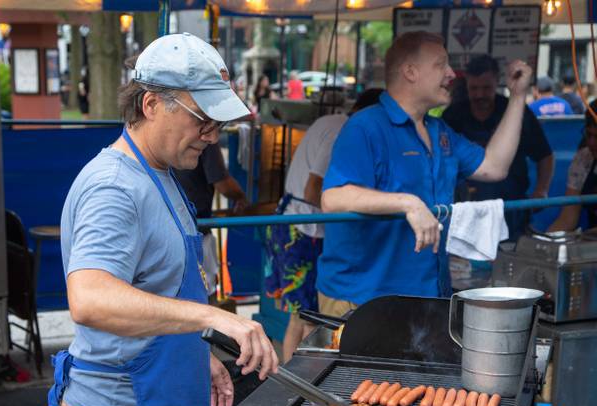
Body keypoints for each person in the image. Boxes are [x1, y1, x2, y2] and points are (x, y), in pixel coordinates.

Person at [49, 33, 279, 406]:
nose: (212, 134)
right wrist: (212, 319)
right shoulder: (113, 186)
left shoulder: (162, 173)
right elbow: (90, 298)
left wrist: (199, 352)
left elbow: (154, 289)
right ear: (151, 104)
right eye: (203, 119)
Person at [317, 31, 532, 315]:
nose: (452, 74)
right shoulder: (365, 126)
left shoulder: (439, 130)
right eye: (441, 64)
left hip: (427, 294)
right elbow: (333, 198)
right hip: (363, 298)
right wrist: (408, 203)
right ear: (410, 71)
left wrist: (517, 97)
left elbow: (494, 167)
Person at [265, 89, 384, 361]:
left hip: (299, 226)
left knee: (300, 315)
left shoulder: (332, 122)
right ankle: (298, 381)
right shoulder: (342, 131)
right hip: (301, 232)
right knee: (307, 318)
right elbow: (312, 190)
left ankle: (291, 377)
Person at [443, 55, 554, 241]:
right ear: (467, 84)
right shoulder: (453, 116)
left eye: (486, 88)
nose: (479, 95)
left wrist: (541, 190)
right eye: (474, 88)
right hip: (465, 212)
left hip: (511, 210)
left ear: (497, 81)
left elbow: (545, 155)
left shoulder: (516, 111)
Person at [173, 143, 249, 301]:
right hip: (197, 229)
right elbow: (222, 183)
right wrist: (241, 198)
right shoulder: (206, 137)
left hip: (177, 226)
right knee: (205, 290)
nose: (213, 136)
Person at [549, 100, 597, 232]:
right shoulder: (583, 159)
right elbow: (568, 217)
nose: (592, 143)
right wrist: (544, 242)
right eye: (589, 135)